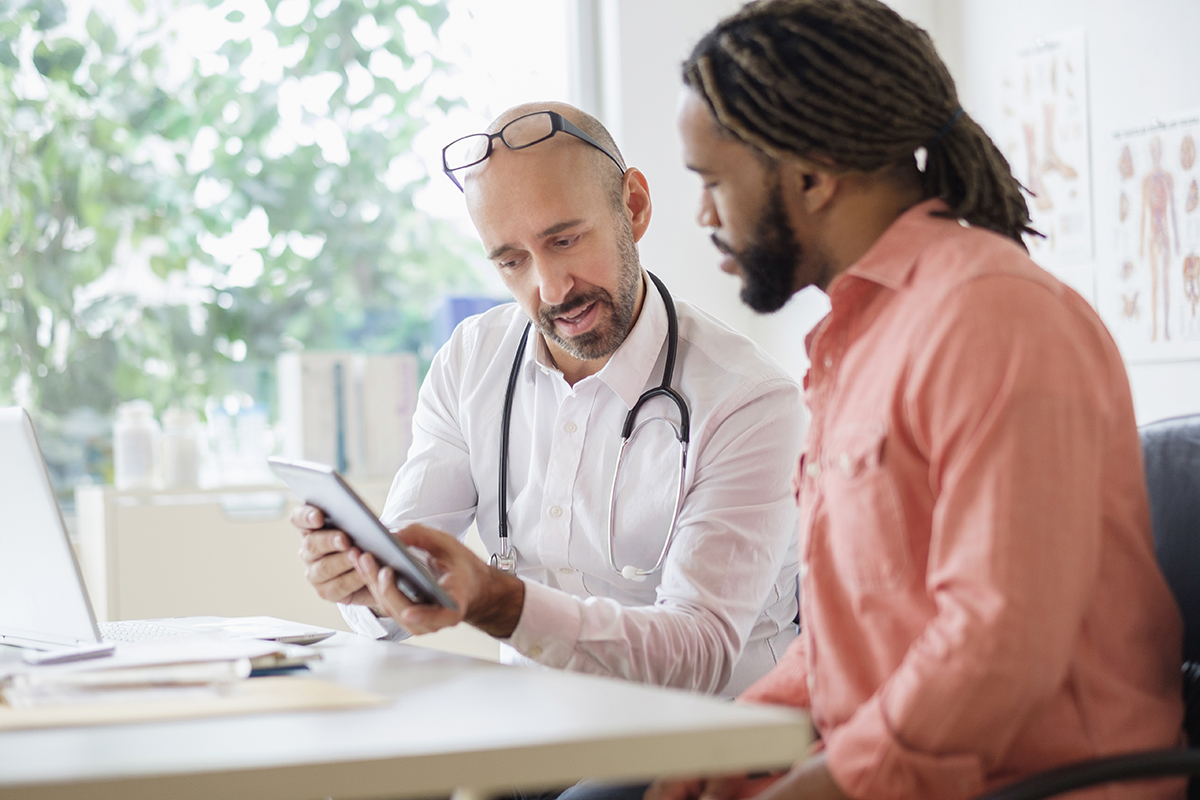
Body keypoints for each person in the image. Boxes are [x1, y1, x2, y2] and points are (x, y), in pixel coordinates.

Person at [635, 1, 1182, 799]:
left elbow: (1001, 641)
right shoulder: (859, 337)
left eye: (714, 181)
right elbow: (853, 641)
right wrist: (735, 740)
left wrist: (829, 783)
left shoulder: (993, 319)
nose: (704, 216)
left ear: (814, 176)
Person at [292, 101, 804, 698]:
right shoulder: (471, 362)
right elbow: (409, 568)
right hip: (540, 726)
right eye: (512, 261)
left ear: (632, 207)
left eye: (564, 240)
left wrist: (496, 601)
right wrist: (365, 581)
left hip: (703, 738)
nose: (550, 288)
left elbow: (699, 653)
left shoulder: (748, 400)